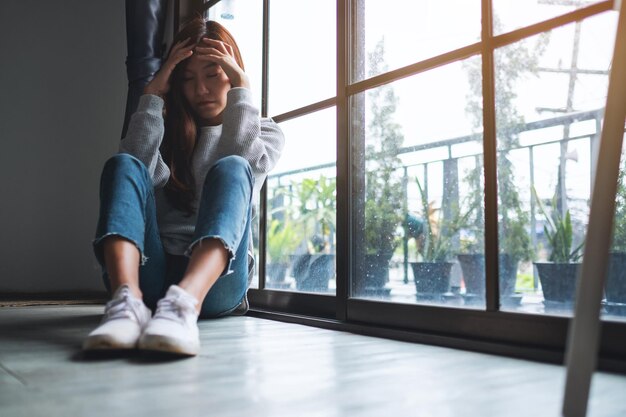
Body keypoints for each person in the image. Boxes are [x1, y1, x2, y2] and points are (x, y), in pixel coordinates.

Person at [83, 16, 285, 356]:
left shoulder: (265, 132)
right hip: (152, 274)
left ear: (232, 72)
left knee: (233, 167)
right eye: (188, 78)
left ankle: (183, 305)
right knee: (122, 163)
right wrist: (151, 94)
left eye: (213, 73)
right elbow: (135, 177)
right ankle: (125, 302)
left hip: (216, 284)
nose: (201, 89)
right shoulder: (163, 131)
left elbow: (243, 172)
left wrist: (242, 89)